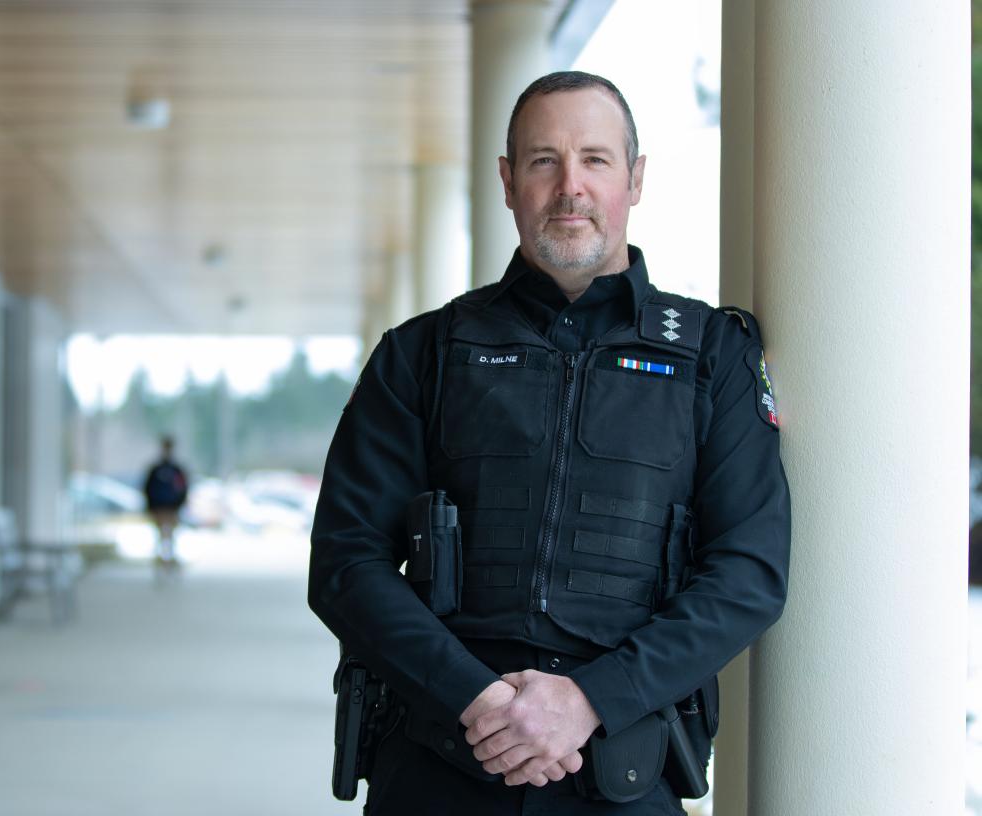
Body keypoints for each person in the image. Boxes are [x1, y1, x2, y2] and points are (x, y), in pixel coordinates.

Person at [309, 71, 791, 816]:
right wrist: (477, 698)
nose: (571, 186)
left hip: (623, 769)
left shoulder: (713, 358)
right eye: (544, 161)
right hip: (438, 764)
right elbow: (346, 561)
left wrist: (590, 699)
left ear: (635, 179)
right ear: (508, 183)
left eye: (595, 159)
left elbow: (748, 572)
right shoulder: (421, 353)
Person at [143, 436, 189, 572]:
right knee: (160, 536)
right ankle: (161, 562)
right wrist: (151, 506)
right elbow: (148, 489)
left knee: (171, 537)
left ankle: (170, 561)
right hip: (159, 507)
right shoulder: (156, 469)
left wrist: (179, 505)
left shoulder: (176, 469)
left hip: (172, 507)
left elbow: (182, 488)